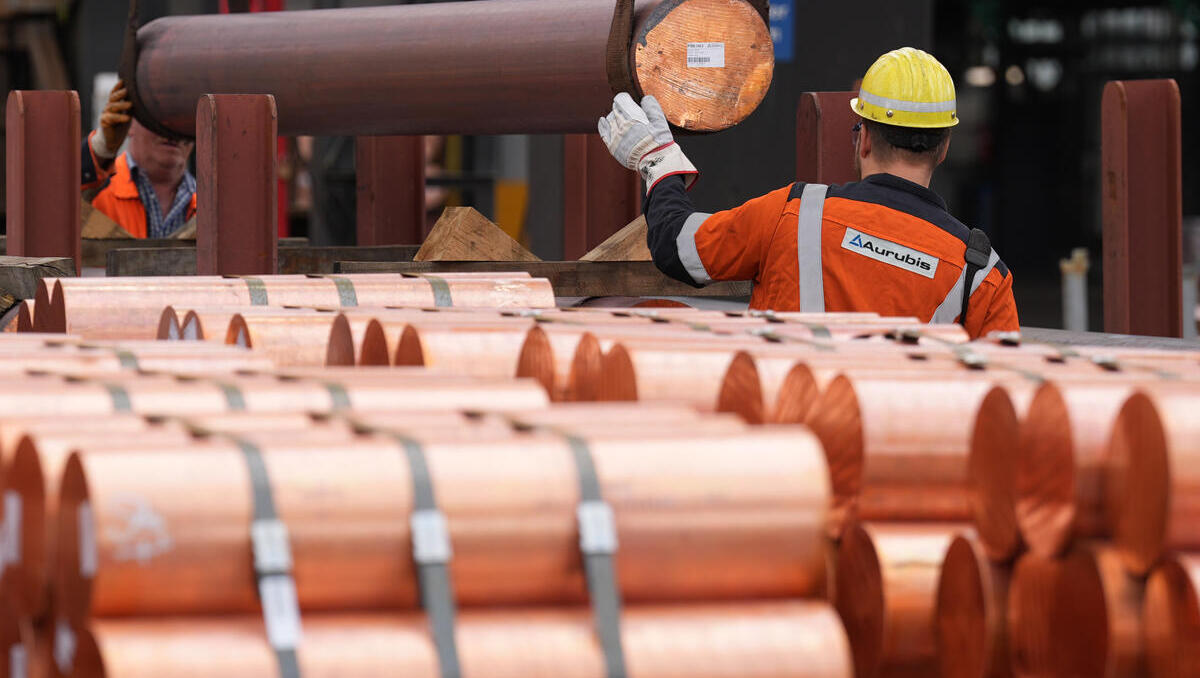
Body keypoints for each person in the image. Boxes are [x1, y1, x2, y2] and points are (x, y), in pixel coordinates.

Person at [597, 47, 1019, 339]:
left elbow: (676, 246)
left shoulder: (793, 214)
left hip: (786, 439)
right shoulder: (981, 274)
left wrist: (658, 159)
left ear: (864, 139)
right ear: (943, 149)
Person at [81, 80, 197, 238]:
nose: (171, 131)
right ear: (129, 122)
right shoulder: (97, 193)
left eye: (183, 120)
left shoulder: (212, 207)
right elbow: (56, 204)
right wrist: (100, 147)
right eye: (157, 117)